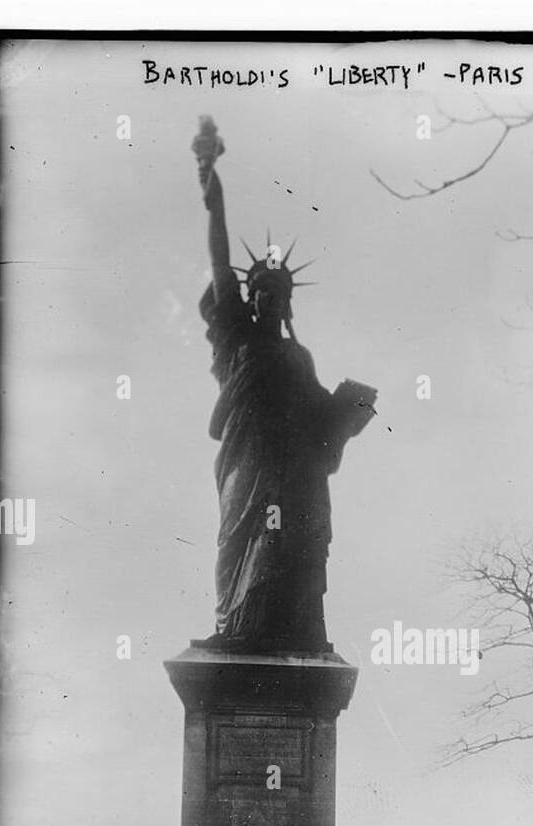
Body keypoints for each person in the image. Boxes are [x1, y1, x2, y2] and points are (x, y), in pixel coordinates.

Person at [193, 121, 377, 653]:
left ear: (287, 301)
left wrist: (350, 409)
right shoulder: (235, 342)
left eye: (277, 292)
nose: (268, 298)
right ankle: (235, 628)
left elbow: (323, 424)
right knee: (238, 542)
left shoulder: (299, 357)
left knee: (290, 542)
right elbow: (218, 255)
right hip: (247, 463)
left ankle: (293, 632)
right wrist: (213, 189)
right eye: (261, 291)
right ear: (251, 299)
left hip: (294, 471)